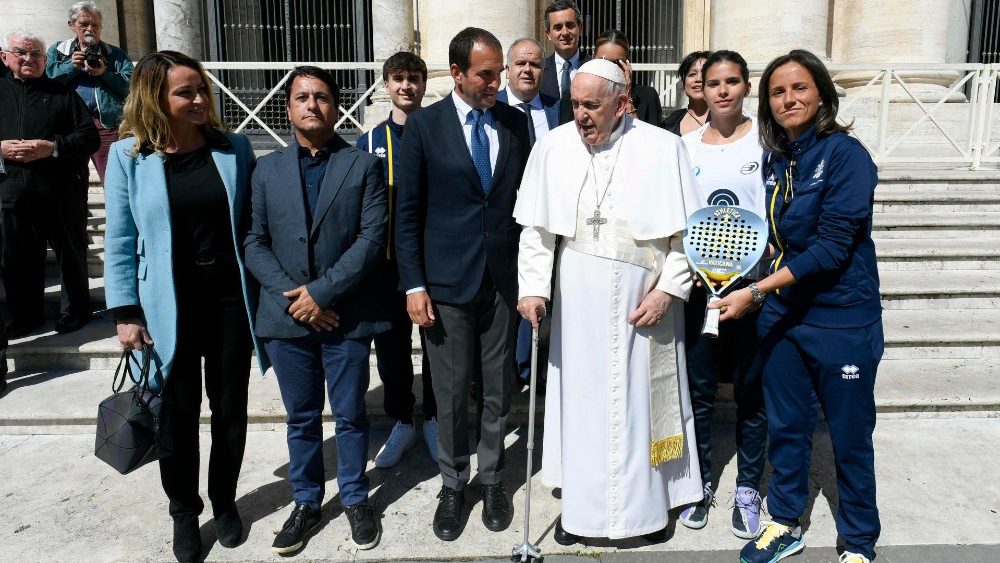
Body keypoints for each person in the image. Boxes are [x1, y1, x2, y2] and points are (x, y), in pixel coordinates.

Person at [515, 58, 702, 544]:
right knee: (582, 406)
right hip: (578, 300)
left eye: (592, 105)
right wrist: (532, 289)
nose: (580, 115)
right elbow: (537, 231)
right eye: (575, 104)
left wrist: (668, 290)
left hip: (645, 300)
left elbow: (688, 236)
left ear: (621, 104)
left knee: (641, 405)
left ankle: (646, 515)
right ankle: (582, 515)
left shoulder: (664, 148)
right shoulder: (553, 147)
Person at [711, 49, 883, 563]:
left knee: (849, 436)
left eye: (799, 88)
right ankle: (786, 522)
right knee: (786, 427)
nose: (788, 99)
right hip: (785, 317)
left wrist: (756, 291)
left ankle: (859, 540)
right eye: (778, 92)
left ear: (822, 94)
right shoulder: (778, 158)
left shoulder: (847, 156)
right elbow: (778, 239)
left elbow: (832, 247)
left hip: (842, 319)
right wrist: (736, 267)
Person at [103, 50, 264, 563]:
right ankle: (184, 511)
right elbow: (119, 238)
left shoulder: (234, 148)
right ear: (156, 97)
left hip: (229, 302)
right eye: (184, 92)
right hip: (164, 307)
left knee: (230, 409)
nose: (198, 100)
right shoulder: (129, 157)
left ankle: (224, 500)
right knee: (175, 413)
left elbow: (252, 225)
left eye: (200, 90)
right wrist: (125, 312)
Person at [245, 66, 389, 554]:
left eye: (322, 96)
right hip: (287, 318)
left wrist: (322, 295)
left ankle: (355, 497)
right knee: (301, 417)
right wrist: (299, 299)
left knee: (350, 414)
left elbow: (371, 239)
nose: (312, 104)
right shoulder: (266, 170)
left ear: (336, 106)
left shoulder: (363, 166)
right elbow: (254, 241)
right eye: (302, 97)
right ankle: (306, 501)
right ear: (288, 108)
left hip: (346, 315)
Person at [394, 27, 531, 542]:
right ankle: (453, 483)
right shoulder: (424, 126)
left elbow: (525, 204)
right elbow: (407, 214)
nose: (497, 82)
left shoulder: (514, 123)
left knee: (497, 389)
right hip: (445, 285)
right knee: (450, 394)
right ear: (456, 73)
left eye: (499, 72)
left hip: (502, 281)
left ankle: (492, 479)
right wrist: (414, 285)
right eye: (485, 74)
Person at [676, 50, 767, 539]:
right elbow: (679, 215)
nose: (723, 90)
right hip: (700, 288)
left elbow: (774, 212)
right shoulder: (685, 147)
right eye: (714, 83)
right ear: (701, 90)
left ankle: (749, 488)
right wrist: (689, 266)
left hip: (754, 288)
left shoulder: (767, 140)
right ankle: (700, 483)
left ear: (747, 86)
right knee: (700, 392)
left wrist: (759, 276)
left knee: (752, 391)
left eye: (732, 81)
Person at [356, 51, 438, 468]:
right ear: (386, 84)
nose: (407, 85)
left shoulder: (440, 133)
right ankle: (402, 420)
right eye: (398, 78)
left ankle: (435, 419)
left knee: (438, 346)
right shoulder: (369, 142)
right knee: (391, 349)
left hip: (433, 265)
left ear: (424, 84)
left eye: (414, 78)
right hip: (386, 267)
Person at [1, 29, 98, 337]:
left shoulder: (62, 94)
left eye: (36, 54)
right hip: (12, 193)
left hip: (60, 192)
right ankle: (25, 315)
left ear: (45, 60)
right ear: (5, 57)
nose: (29, 59)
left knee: (70, 256)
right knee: (18, 259)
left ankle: (75, 311)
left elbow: (89, 137)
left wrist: (52, 147)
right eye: (21, 53)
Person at [497, 36, 559, 387]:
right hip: (501, 223)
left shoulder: (559, 109)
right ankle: (502, 373)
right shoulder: (490, 106)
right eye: (520, 63)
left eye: (535, 64)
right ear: (507, 69)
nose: (527, 70)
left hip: (545, 220)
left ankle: (530, 369)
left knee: (537, 293)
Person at [46, 1, 133, 182]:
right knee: (70, 181)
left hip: (106, 124)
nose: (90, 29)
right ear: (71, 25)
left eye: (95, 25)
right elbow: (46, 83)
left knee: (113, 178)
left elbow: (131, 87)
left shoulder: (115, 54)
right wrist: (71, 65)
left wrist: (104, 74)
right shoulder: (58, 51)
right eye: (84, 24)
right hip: (69, 125)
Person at [593, 29, 662, 126]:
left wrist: (627, 97)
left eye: (616, 63)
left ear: (627, 62)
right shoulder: (579, 94)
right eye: (603, 61)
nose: (609, 67)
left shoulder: (647, 96)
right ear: (593, 57)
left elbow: (650, 135)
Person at [540, 0, 589, 124]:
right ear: (548, 34)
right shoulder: (539, 71)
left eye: (570, 25)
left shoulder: (594, 66)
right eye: (558, 27)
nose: (565, 32)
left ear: (580, 28)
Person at [662, 51, 710, 135]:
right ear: (683, 83)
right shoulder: (670, 123)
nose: (698, 79)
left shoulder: (726, 120)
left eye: (705, 74)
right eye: (692, 74)